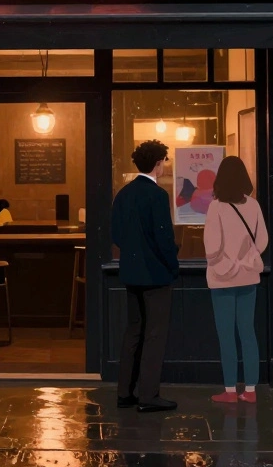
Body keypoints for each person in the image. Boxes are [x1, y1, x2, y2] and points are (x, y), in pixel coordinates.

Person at [111, 140, 180, 413]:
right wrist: (172, 265)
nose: (164, 166)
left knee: (134, 330)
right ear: (157, 163)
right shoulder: (157, 195)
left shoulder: (124, 194)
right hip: (156, 274)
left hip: (131, 272)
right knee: (154, 334)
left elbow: (116, 235)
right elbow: (164, 239)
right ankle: (149, 395)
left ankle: (124, 392)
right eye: (164, 161)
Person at [203, 156, 268, 404]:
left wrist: (227, 264)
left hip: (222, 279)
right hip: (248, 277)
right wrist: (247, 260)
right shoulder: (253, 205)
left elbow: (212, 247)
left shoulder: (216, 207)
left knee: (226, 335)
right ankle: (250, 390)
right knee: (248, 332)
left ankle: (230, 390)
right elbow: (262, 239)